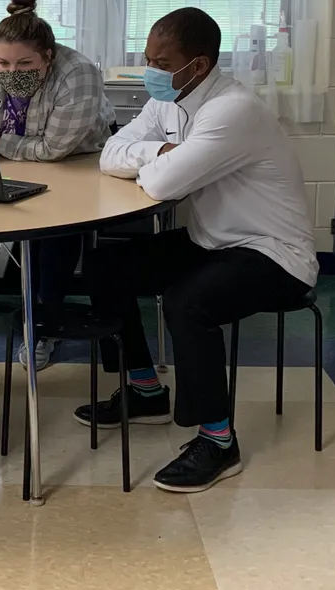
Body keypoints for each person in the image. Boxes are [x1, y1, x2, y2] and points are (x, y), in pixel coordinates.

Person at [81, 8, 317, 492]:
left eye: (161, 62)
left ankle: (219, 440)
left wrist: (155, 161)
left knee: (190, 303)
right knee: (106, 268)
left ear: (200, 64)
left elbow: (164, 185)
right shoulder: (168, 101)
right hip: (212, 240)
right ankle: (146, 391)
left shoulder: (233, 110)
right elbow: (111, 154)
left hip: (273, 253)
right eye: (148, 58)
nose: (151, 71)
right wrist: (160, 153)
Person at [0, 0, 115, 370]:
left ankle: (44, 326)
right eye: (3, 64)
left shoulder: (78, 73)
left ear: (48, 58)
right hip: (10, 165)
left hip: (77, 164)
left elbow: (55, 150)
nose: (12, 73)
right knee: (7, 219)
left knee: (56, 233)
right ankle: (32, 305)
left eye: (25, 65)